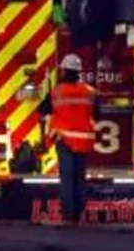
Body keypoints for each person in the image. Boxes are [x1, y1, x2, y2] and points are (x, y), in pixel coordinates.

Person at [40, 54, 95, 224]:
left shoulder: (57, 91)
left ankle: (69, 214)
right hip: (84, 140)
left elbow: (43, 110)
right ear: (79, 72)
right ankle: (79, 212)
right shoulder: (89, 91)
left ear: (63, 71)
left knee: (67, 178)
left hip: (65, 140)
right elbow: (96, 112)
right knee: (80, 177)